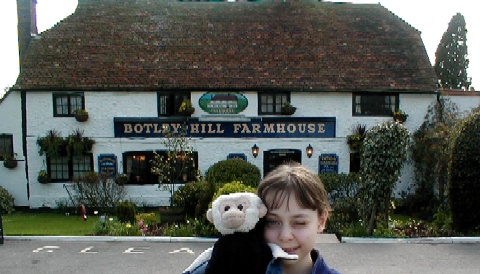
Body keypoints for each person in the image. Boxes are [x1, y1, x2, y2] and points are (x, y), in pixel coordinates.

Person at [183, 163, 339, 274]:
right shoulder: (223, 266)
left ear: (321, 221)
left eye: (299, 222)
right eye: (272, 222)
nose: (285, 236)